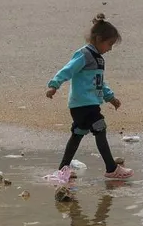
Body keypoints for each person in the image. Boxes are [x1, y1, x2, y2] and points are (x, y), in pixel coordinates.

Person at [45, 14, 133, 180]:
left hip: (88, 104)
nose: (110, 49)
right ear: (99, 39)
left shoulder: (98, 59)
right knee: (100, 128)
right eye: (109, 44)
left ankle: (62, 169)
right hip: (83, 104)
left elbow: (99, 82)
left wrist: (110, 97)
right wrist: (54, 85)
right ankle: (111, 168)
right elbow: (68, 69)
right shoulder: (84, 54)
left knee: (77, 134)